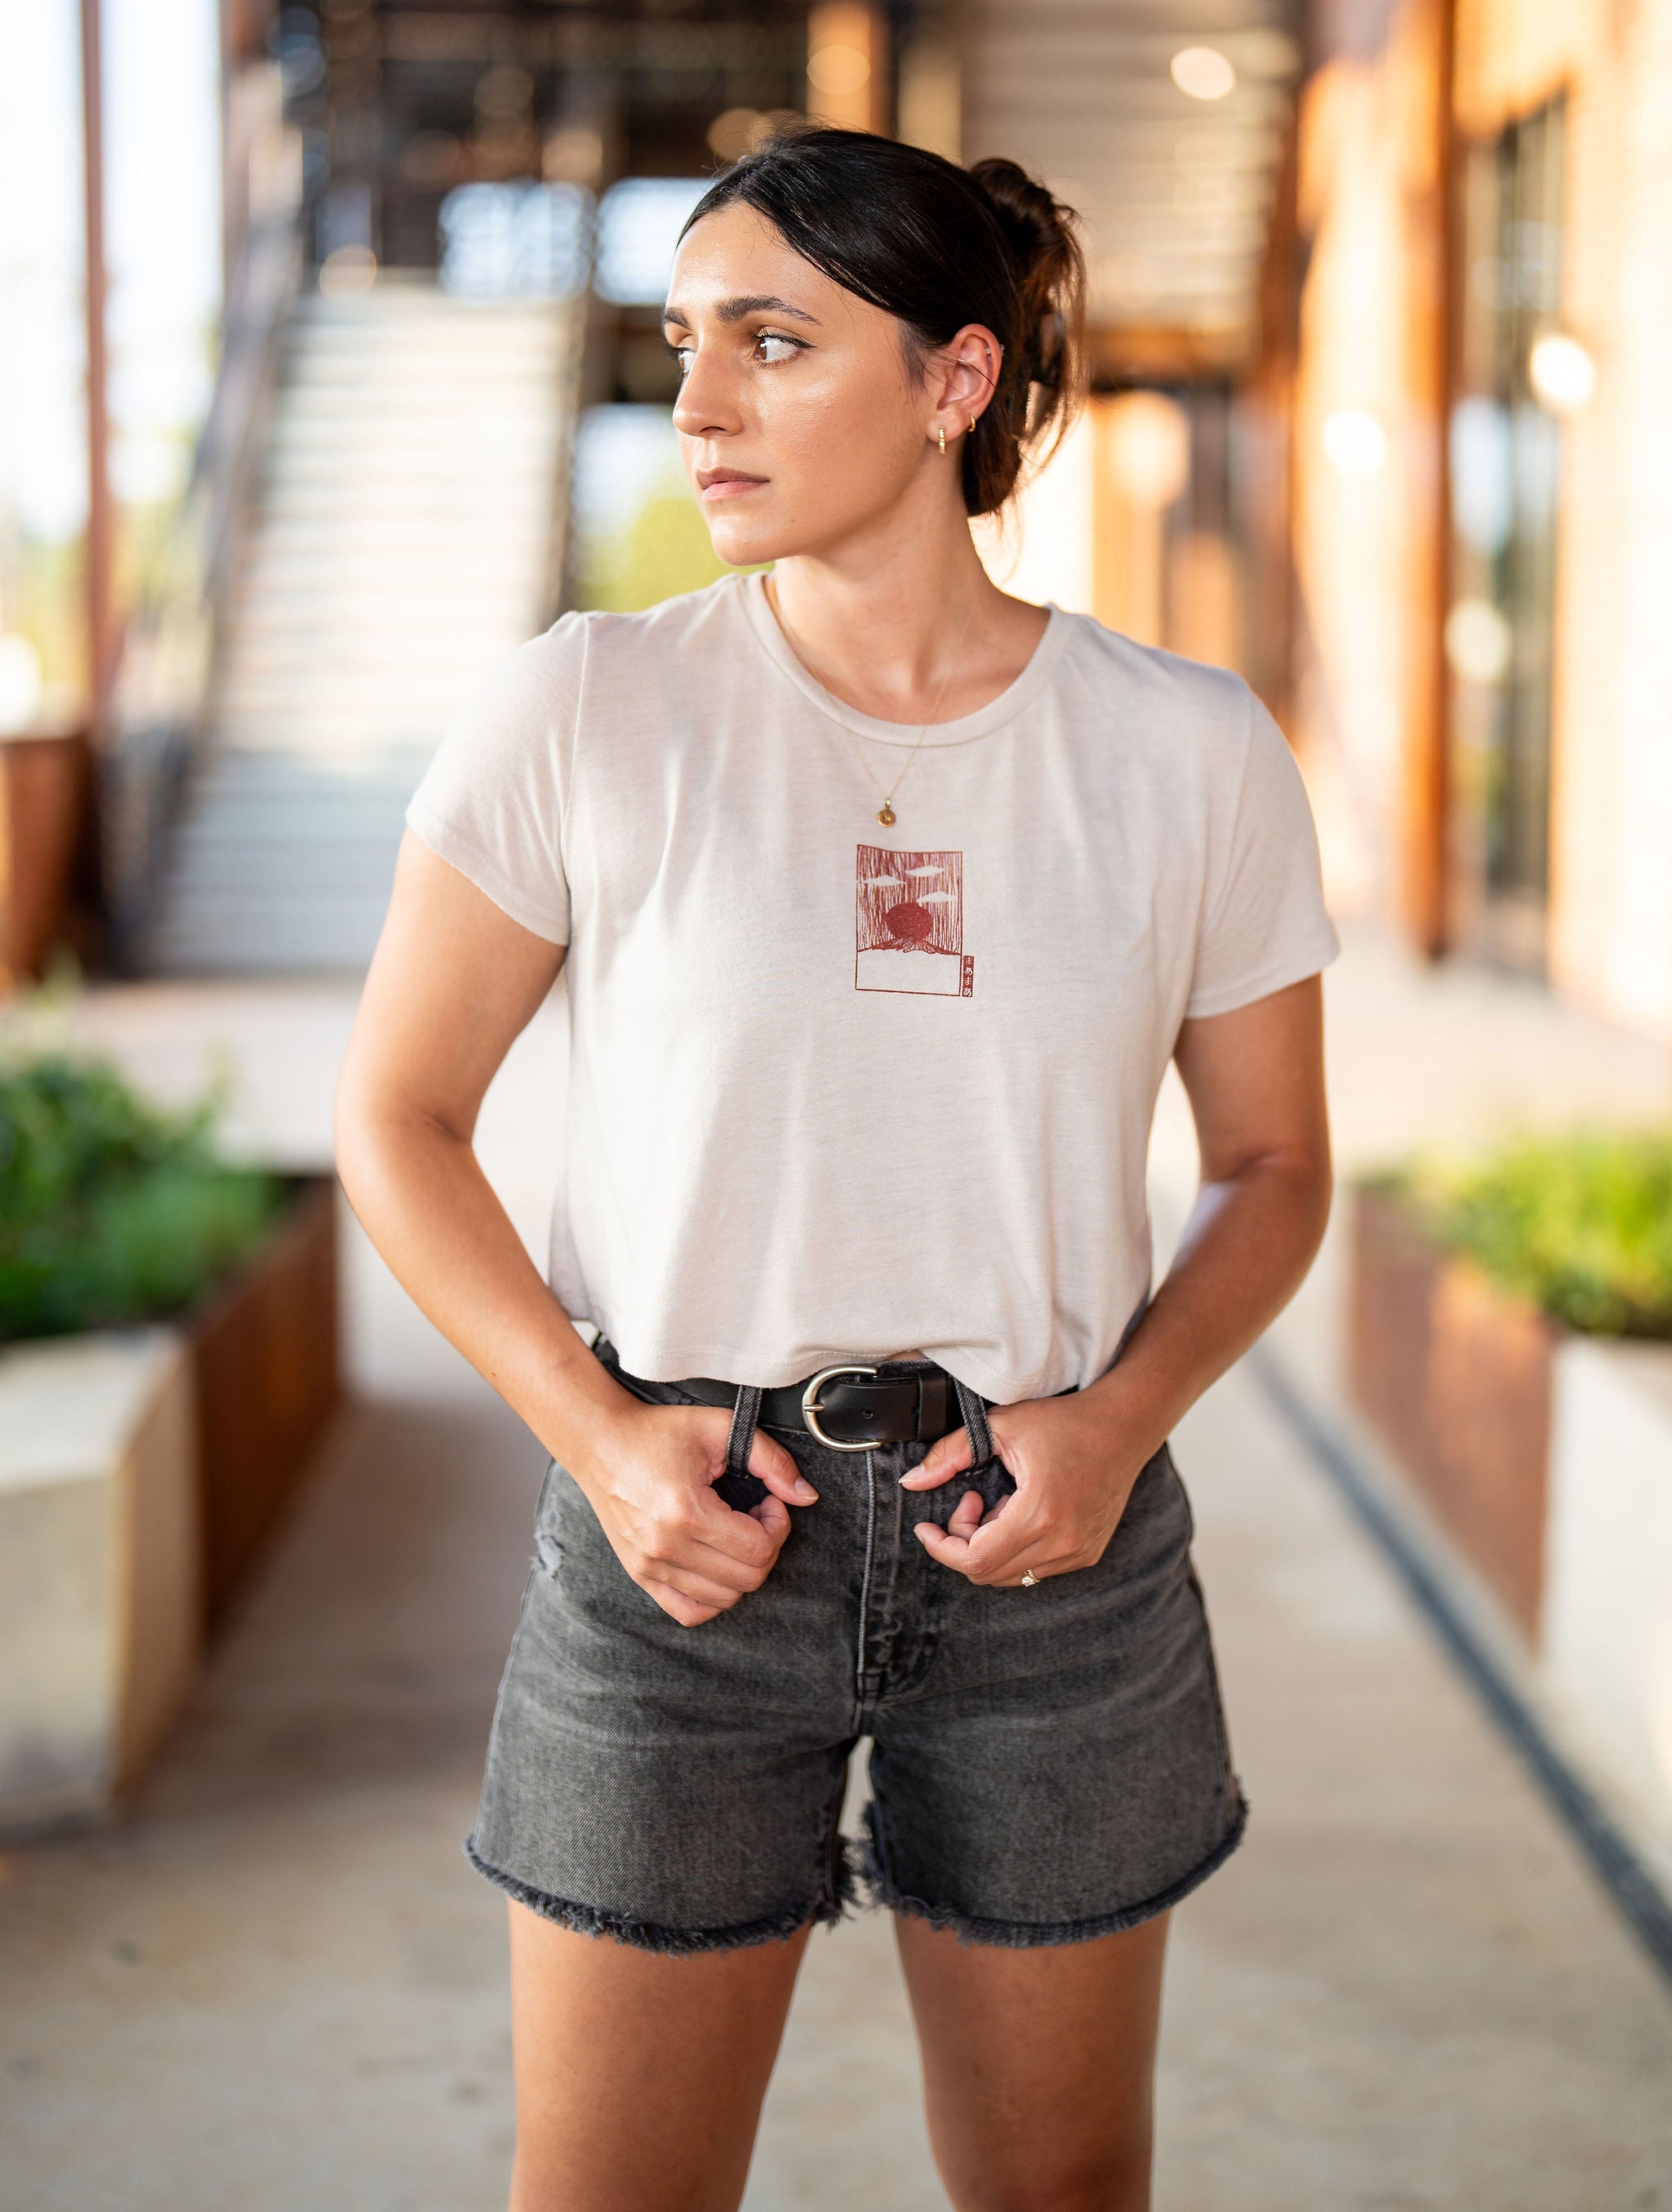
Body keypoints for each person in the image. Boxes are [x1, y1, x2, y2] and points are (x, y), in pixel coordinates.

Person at [335, 123, 1337, 2212]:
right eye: (684, 340)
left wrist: (1114, 1429)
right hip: (681, 1545)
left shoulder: (1185, 748)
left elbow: (1269, 1163)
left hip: (1050, 1554)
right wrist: (600, 1444)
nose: (697, 404)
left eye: (773, 344)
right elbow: (396, 1124)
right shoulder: (589, 709)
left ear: (955, 379)